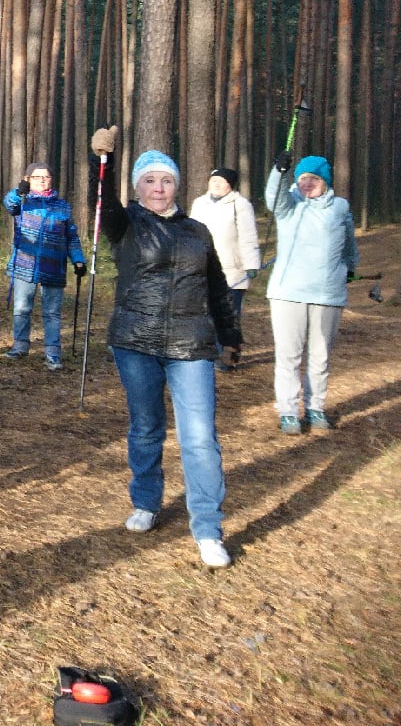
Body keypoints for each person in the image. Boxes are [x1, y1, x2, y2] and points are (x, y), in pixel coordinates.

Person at [91, 127, 242, 570]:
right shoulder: (125, 225)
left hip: (191, 345)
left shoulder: (198, 232)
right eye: (150, 181)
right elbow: (103, 202)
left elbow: (218, 288)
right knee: (146, 426)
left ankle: (208, 529)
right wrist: (103, 161)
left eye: (167, 181)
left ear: (178, 186)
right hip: (135, 342)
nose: (159, 189)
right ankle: (146, 501)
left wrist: (231, 336)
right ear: (138, 187)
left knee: (200, 438)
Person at [264, 153, 358, 435]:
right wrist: (279, 171)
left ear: (325, 181)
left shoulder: (339, 208)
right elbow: (273, 197)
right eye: (303, 178)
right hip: (287, 293)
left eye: (314, 178)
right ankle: (289, 412)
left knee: (320, 356)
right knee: (288, 356)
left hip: (327, 294)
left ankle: (316, 407)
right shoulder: (289, 205)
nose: (307, 183)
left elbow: (348, 244)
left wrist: (350, 268)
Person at [3, 160, 86, 371]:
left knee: (52, 312)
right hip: (25, 263)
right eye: (37, 177)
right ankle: (20, 346)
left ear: (51, 180)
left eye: (46, 177)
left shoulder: (62, 206)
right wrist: (18, 191)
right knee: (22, 308)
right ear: (28, 179)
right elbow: (9, 204)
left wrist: (78, 259)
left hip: (54, 266)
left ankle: (53, 353)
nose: (42, 180)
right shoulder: (23, 201)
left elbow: (71, 236)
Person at [187, 166, 260, 372]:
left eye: (221, 181)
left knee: (228, 316)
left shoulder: (240, 205)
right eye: (213, 181)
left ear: (230, 185)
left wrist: (251, 264)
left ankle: (227, 356)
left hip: (232, 272)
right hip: (203, 269)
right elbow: (191, 233)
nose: (216, 185)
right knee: (204, 314)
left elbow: (248, 236)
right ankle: (207, 355)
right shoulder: (199, 203)